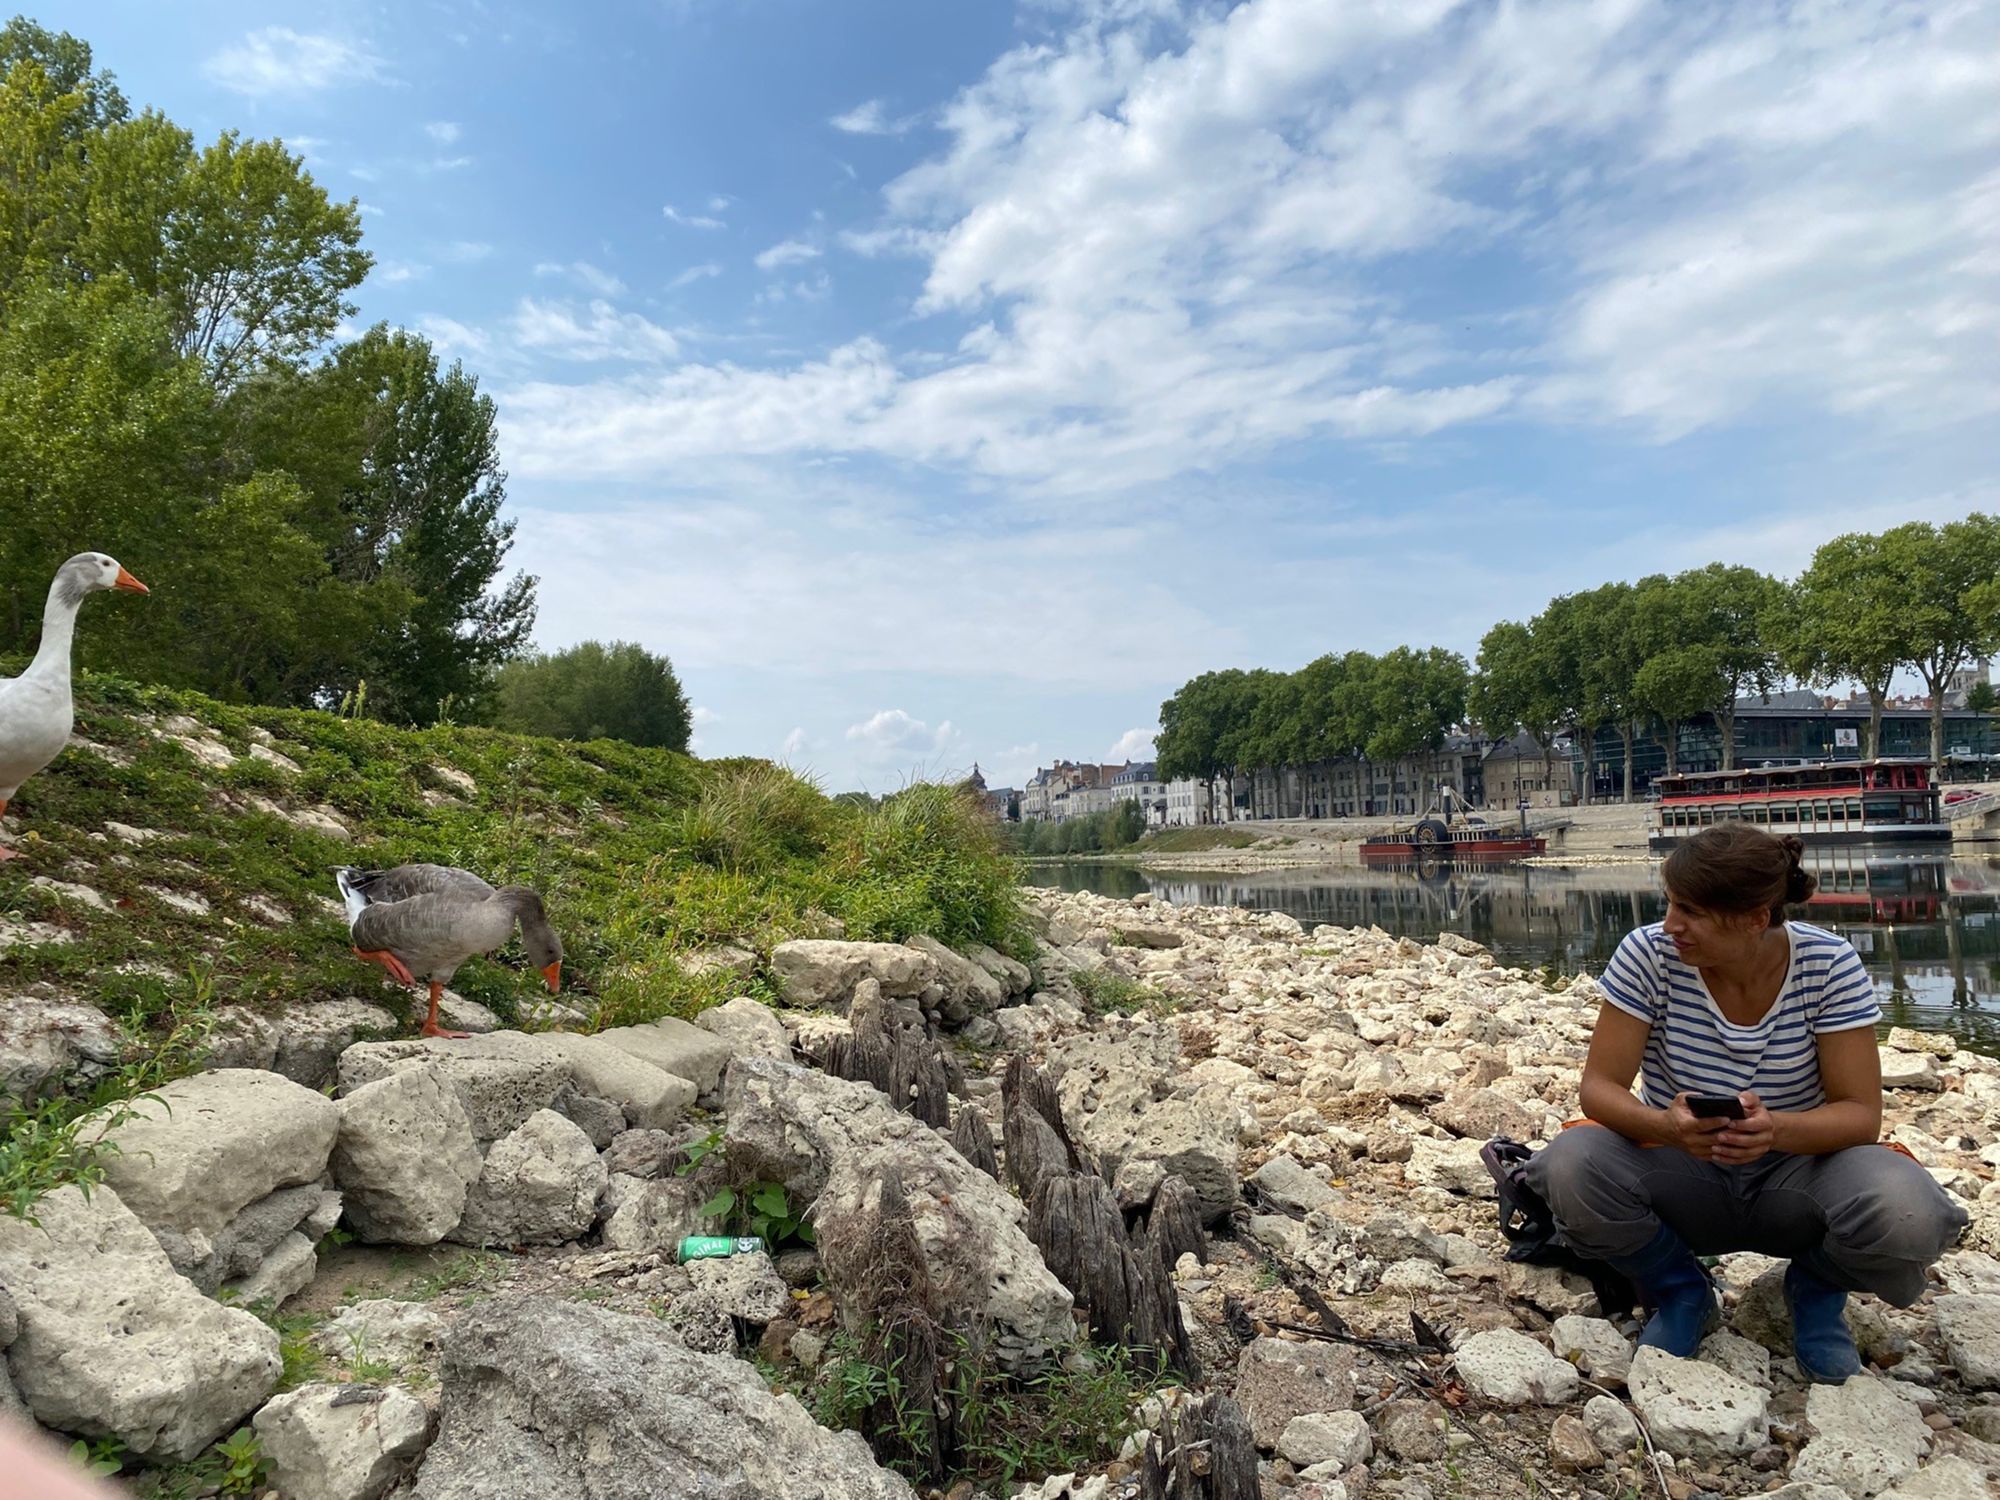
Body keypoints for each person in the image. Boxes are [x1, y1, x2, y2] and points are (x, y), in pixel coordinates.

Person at [1526, 823, 1968, 1383]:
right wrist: (1666, 1126)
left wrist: (1775, 1131)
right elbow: (1599, 1089)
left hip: (1797, 1179)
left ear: (1755, 918)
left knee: (1910, 1213)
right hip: (1681, 1175)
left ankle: (1816, 1287)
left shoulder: (1828, 965)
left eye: (1691, 911)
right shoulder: (1649, 954)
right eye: (1669, 904)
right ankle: (1680, 1288)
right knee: (1569, 1163)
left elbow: (1860, 1115)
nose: (1671, 925)